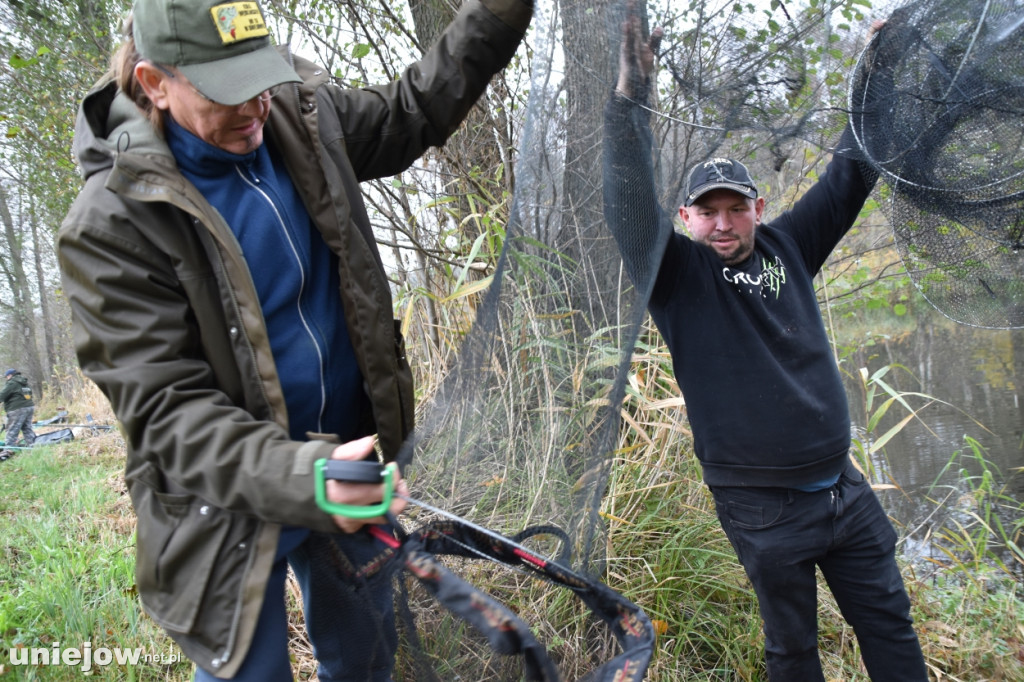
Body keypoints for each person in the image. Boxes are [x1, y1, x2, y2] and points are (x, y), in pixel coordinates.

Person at [57, 0, 532, 678]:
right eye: (227, 90)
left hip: (351, 460)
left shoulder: (300, 119)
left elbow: (411, 110)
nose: (255, 104)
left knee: (367, 658)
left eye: (261, 75)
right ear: (155, 83)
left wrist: (499, 13)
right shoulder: (110, 223)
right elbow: (167, 412)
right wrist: (305, 480)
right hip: (223, 505)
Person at [602, 13, 929, 682]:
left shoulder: (789, 245)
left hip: (843, 489)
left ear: (756, 206)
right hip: (763, 507)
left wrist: (878, 69)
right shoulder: (676, 276)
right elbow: (628, 203)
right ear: (688, 217)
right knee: (793, 651)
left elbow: (851, 171)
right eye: (707, 211)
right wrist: (631, 99)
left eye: (735, 208)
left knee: (889, 623)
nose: (722, 224)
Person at [1, 368, 36, 457]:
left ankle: (8, 451)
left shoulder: (12, 383)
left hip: (17, 409)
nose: (7, 379)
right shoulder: (24, 382)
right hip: (29, 407)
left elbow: (2, 395)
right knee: (27, 428)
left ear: (10, 375)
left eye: (7, 377)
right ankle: (33, 446)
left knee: (12, 430)